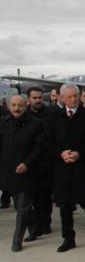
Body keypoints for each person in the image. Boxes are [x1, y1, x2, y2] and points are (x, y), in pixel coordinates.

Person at [48, 83, 85, 252]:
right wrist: (61, 154)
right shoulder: (54, 117)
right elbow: (48, 142)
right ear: (61, 98)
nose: (73, 99)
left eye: (75, 96)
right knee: (65, 206)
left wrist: (79, 154)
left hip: (83, 167)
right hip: (62, 169)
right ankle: (68, 238)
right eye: (69, 97)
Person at [0, 95, 45, 251]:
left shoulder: (36, 124)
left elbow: (39, 148)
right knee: (23, 207)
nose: (16, 108)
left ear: (26, 105)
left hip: (27, 172)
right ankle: (34, 226)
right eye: (13, 105)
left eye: (20, 105)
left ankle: (16, 241)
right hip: (8, 172)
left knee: (23, 207)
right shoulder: (3, 123)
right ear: (8, 106)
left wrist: (27, 163)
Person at [25, 86, 54, 239]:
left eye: (40, 98)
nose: (37, 100)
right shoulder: (24, 114)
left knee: (45, 196)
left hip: (46, 162)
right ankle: (35, 224)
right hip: (29, 162)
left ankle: (44, 223)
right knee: (31, 197)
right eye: (34, 98)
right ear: (28, 99)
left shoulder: (50, 114)